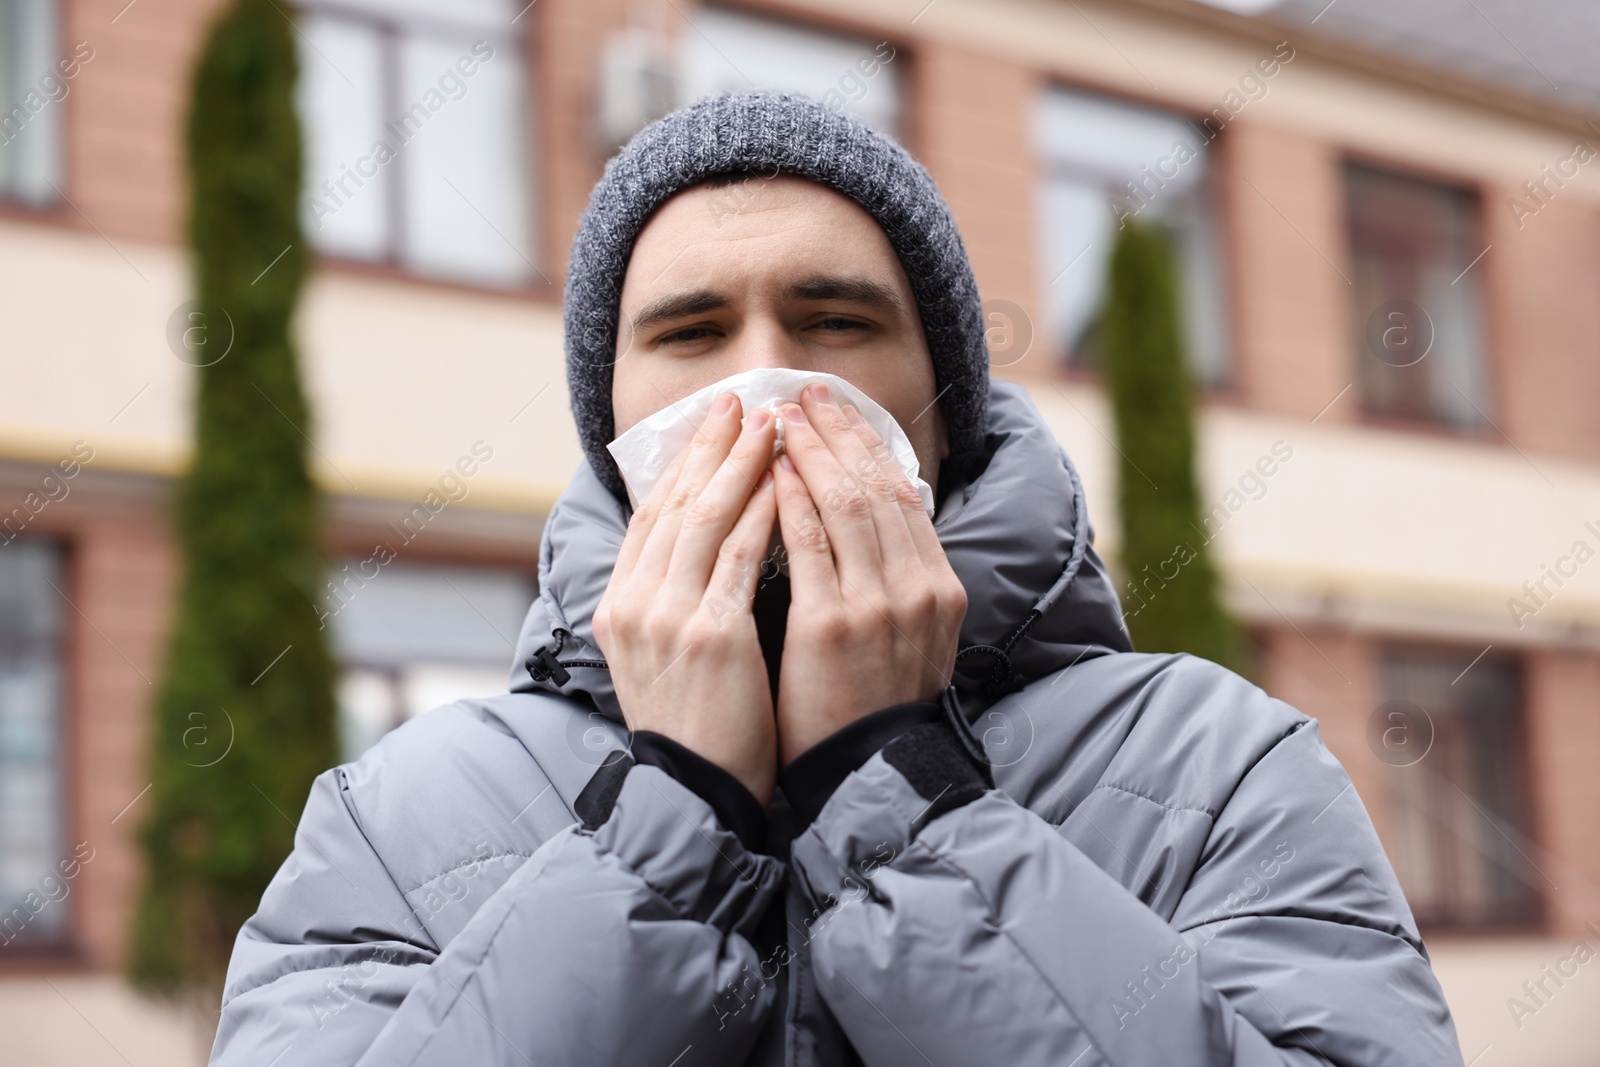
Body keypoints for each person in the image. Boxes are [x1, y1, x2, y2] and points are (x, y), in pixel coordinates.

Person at [208, 89, 1464, 1066]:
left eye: (838, 321)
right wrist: (670, 819)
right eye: (691, 332)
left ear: (945, 404)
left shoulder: (1219, 760)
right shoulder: (396, 816)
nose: (764, 381)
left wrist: (899, 792)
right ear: (607, 418)